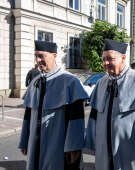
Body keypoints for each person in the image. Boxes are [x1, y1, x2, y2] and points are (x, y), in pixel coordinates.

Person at [85, 39, 135, 170]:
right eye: (104, 59)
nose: (105, 63)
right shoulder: (101, 83)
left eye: (110, 59)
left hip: (131, 153)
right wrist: (92, 144)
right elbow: (94, 116)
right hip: (104, 153)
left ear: (123, 58)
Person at [18, 41, 89, 170]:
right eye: (36, 56)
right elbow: (28, 114)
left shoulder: (70, 81)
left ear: (54, 55)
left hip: (59, 146)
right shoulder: (35, 82)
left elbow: (77, 118)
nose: (38, 60)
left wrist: (74, 147)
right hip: (35, 144)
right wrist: (24, 141)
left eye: (41, 56)